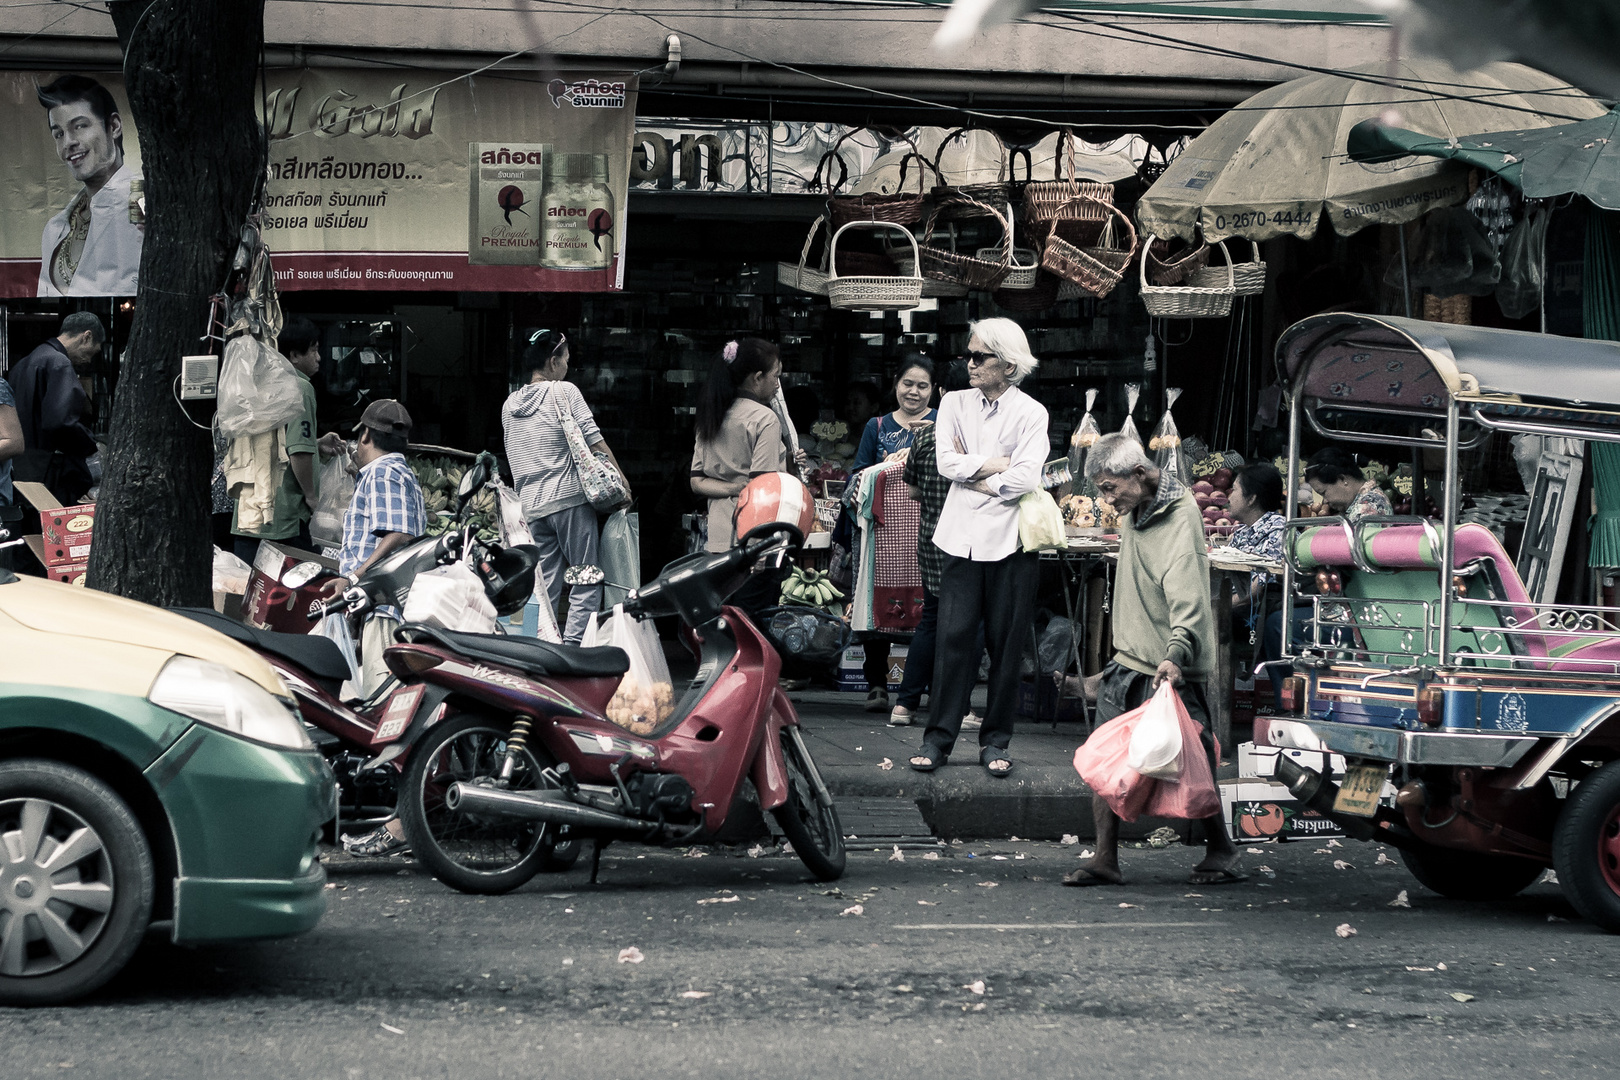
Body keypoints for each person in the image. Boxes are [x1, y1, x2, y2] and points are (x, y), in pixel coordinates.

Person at [1063, 433, 1243, 888]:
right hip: (1129, 660)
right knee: (1106, 762)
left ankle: (1220, 846)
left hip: (1168, 664)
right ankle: (1105, 856)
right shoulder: (1136, 508)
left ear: (1140, 474)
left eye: (1109, 488)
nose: (1106, 499)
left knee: (1191, 761)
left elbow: (1189, 598)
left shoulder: (1181, 518)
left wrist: (1176, 653)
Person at [908, 319, 1047, 779]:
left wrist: (979, 479)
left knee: (1006, 645)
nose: (968, 363)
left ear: (1007, 364)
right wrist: (992, 470)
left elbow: (1027, 476)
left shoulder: (1031, 412)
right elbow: (945, 463)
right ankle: (938, 739)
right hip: (960, 537)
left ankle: (996, 741)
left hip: (1012, 542)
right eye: (968, 354)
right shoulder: (952, 402)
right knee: (952, 638)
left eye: (979, 356)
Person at [501, 328, 628, 644]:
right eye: (566, 359)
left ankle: (531, 645)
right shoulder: (565, 392)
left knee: (540, 584)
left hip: (530, 507)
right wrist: (621, 481)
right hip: (570, 500)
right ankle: (573, 647)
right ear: (552, 360)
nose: (568, 366)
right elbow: (594, 442)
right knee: (585, 577)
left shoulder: (508, 405)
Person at [853, 357, 938, 712]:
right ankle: (877, 684)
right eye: (908, 384)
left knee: (930, 608)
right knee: (878, 604)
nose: (914, 392)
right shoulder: (877, 426)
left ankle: (925, 684)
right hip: (885, 530)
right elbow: (857, 475)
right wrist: (886, 465)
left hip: (929, 526)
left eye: (922, 386)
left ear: (934, 390)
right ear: (895, 385)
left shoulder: (942, 424)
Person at [690, 338, 792, 615]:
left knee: (724, 620)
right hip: (754, 541)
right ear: (757, 378)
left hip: (718, 540)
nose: (777, 385)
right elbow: (763, 490)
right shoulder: (764, 419)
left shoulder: (712, 413)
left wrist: (733, 487)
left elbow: (697, 481)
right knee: (753, 625)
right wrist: (760, 548)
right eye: (775, 377)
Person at [36, 75, 143, 297]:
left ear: (113, 126)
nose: (68, 142)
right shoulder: (54, 230)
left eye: (80, 126)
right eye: (59, 133)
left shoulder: (146, 206)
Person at [230, 317, 322, 564]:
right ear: (293, 355)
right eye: (313, 349)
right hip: (282, 518)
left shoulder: (259, 386)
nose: (319, 357)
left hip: (248, 515)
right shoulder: (300, 388)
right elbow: (298, 452)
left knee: (250, 593)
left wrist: (318, 443)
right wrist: (312, 496)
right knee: (287, 595)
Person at [9, 311, 101, 506]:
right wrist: (90, 444)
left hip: (22, 468)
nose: (89, 360)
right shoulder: (59, 363)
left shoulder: (23, 363)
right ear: (87, 336)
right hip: (51, 469)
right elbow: (60, 421)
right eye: (92, 352)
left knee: (30, 529)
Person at [1304, 446, 1393, 521]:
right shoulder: (1361, 502)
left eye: (1323, 493)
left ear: (1342, 479)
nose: (1325, 501)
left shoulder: (1369, 506)